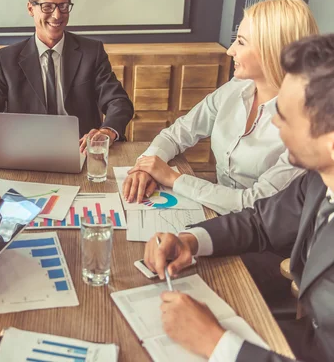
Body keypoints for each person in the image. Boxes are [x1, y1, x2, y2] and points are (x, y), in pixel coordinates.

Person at [142, 33, 334, 361]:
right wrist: (190, 240)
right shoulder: (318, 180)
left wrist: (217, 344)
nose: (273, 122)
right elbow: (260, 221)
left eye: (284, 117)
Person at [123, 0, 318, 215]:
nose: (230, 50)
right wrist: (147, 167)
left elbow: (253, 203)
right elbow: (177, 134)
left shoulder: (309, 126)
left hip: (266, 236)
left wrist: (173, 178)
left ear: (273, 51)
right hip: (216, 212)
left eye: (241, 42)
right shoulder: (236, 88)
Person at [0, 0, 134, 150]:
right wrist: (1, 139)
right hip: (26, 150)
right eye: (47, 6)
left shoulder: (91, 52)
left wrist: (107, 131)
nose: (57, 15)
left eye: (63, 6)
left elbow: (118, 101)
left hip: (82, 149)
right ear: (31, 8)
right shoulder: (5, 59)